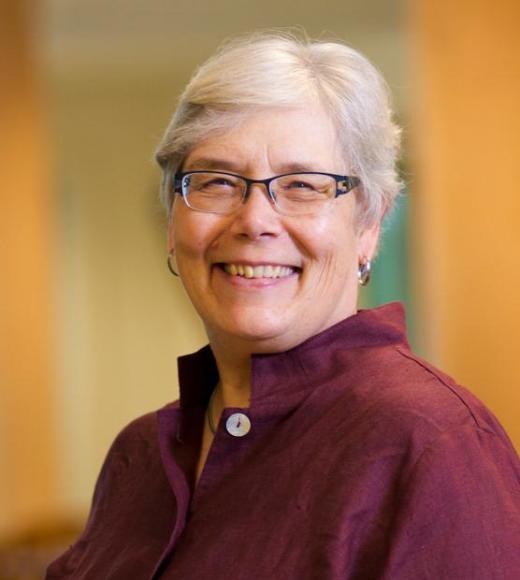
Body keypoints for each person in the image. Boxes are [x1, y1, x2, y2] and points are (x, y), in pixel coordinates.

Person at [46, 32, 520, 579]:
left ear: (368, 224)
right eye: (218, 182)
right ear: (173, 224)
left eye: (302, 185)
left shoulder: (430, 442)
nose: (254, 221)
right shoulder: (139, 457)